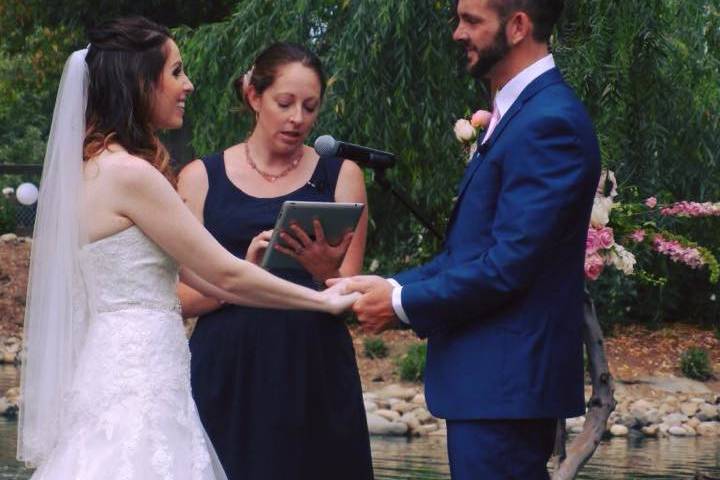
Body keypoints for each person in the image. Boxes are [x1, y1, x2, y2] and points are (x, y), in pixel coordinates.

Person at [18, 17, 357, 480]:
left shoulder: (92, 168)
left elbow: (197, 274)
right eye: (176, 72)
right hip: (142, 384)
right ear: (140, 82)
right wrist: (322, 298)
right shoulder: (132, 176)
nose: (188, 85)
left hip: (116, 372)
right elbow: (224, 275)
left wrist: (243, 264)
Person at [338, 1, 601, 478]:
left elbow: (507, 266)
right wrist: (388, 285)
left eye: (472, 20)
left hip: (507, 389)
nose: (458, 33)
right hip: (492, 389)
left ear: (518, 26)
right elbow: (468, 253)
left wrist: (400, 303)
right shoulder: (518, 111)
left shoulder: (550, 122)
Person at [176, 42, 373, 480]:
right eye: (285, 103)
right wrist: (238, 274)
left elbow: (356, 298)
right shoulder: (198, 177)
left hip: (314, 368)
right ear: (254, 97)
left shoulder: (341, 175)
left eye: (310, 106)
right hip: (230, 368)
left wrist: (324, 269)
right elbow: (179, 298)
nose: (297, 118)